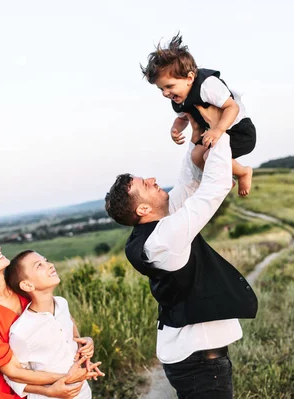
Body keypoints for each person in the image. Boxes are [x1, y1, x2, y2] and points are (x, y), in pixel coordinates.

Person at [104, 105, 258, 398]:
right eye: (143, 185)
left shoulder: (159, 228)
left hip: (195, 355)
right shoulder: (163, 238)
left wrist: (197, 134)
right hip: (199, 361)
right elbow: (215, 187)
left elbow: (188, 181)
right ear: (143, 209)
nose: (151, 179)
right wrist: (220, 132)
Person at [0, 237, 97, 398]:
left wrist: (82, 348)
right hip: (6, 394)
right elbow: (14, 372)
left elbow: (62, 320)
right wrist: (71, 376)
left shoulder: (25, 287)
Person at [141, 33, 257, 196]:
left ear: (189, 78)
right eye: (161, 89)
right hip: (213, 135)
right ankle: (225, 180)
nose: (165, 93)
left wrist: (218, 130)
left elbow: (232, 107)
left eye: (169, 86)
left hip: (239, 130)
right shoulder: (179, 98)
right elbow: (182, 118)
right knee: (196, 156)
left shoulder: (207, 85)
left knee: (210, 156)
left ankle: (243, 172)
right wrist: (175, 129)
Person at [2, 250, 105, 399]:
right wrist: (49, 391)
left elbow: (74, 337)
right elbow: (14, 378)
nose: (50, 265)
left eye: (46, 260)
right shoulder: (22, 331)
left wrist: (87, 343)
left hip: (82, 393)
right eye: (39, 266)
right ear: (27, 285)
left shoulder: (62, 303)